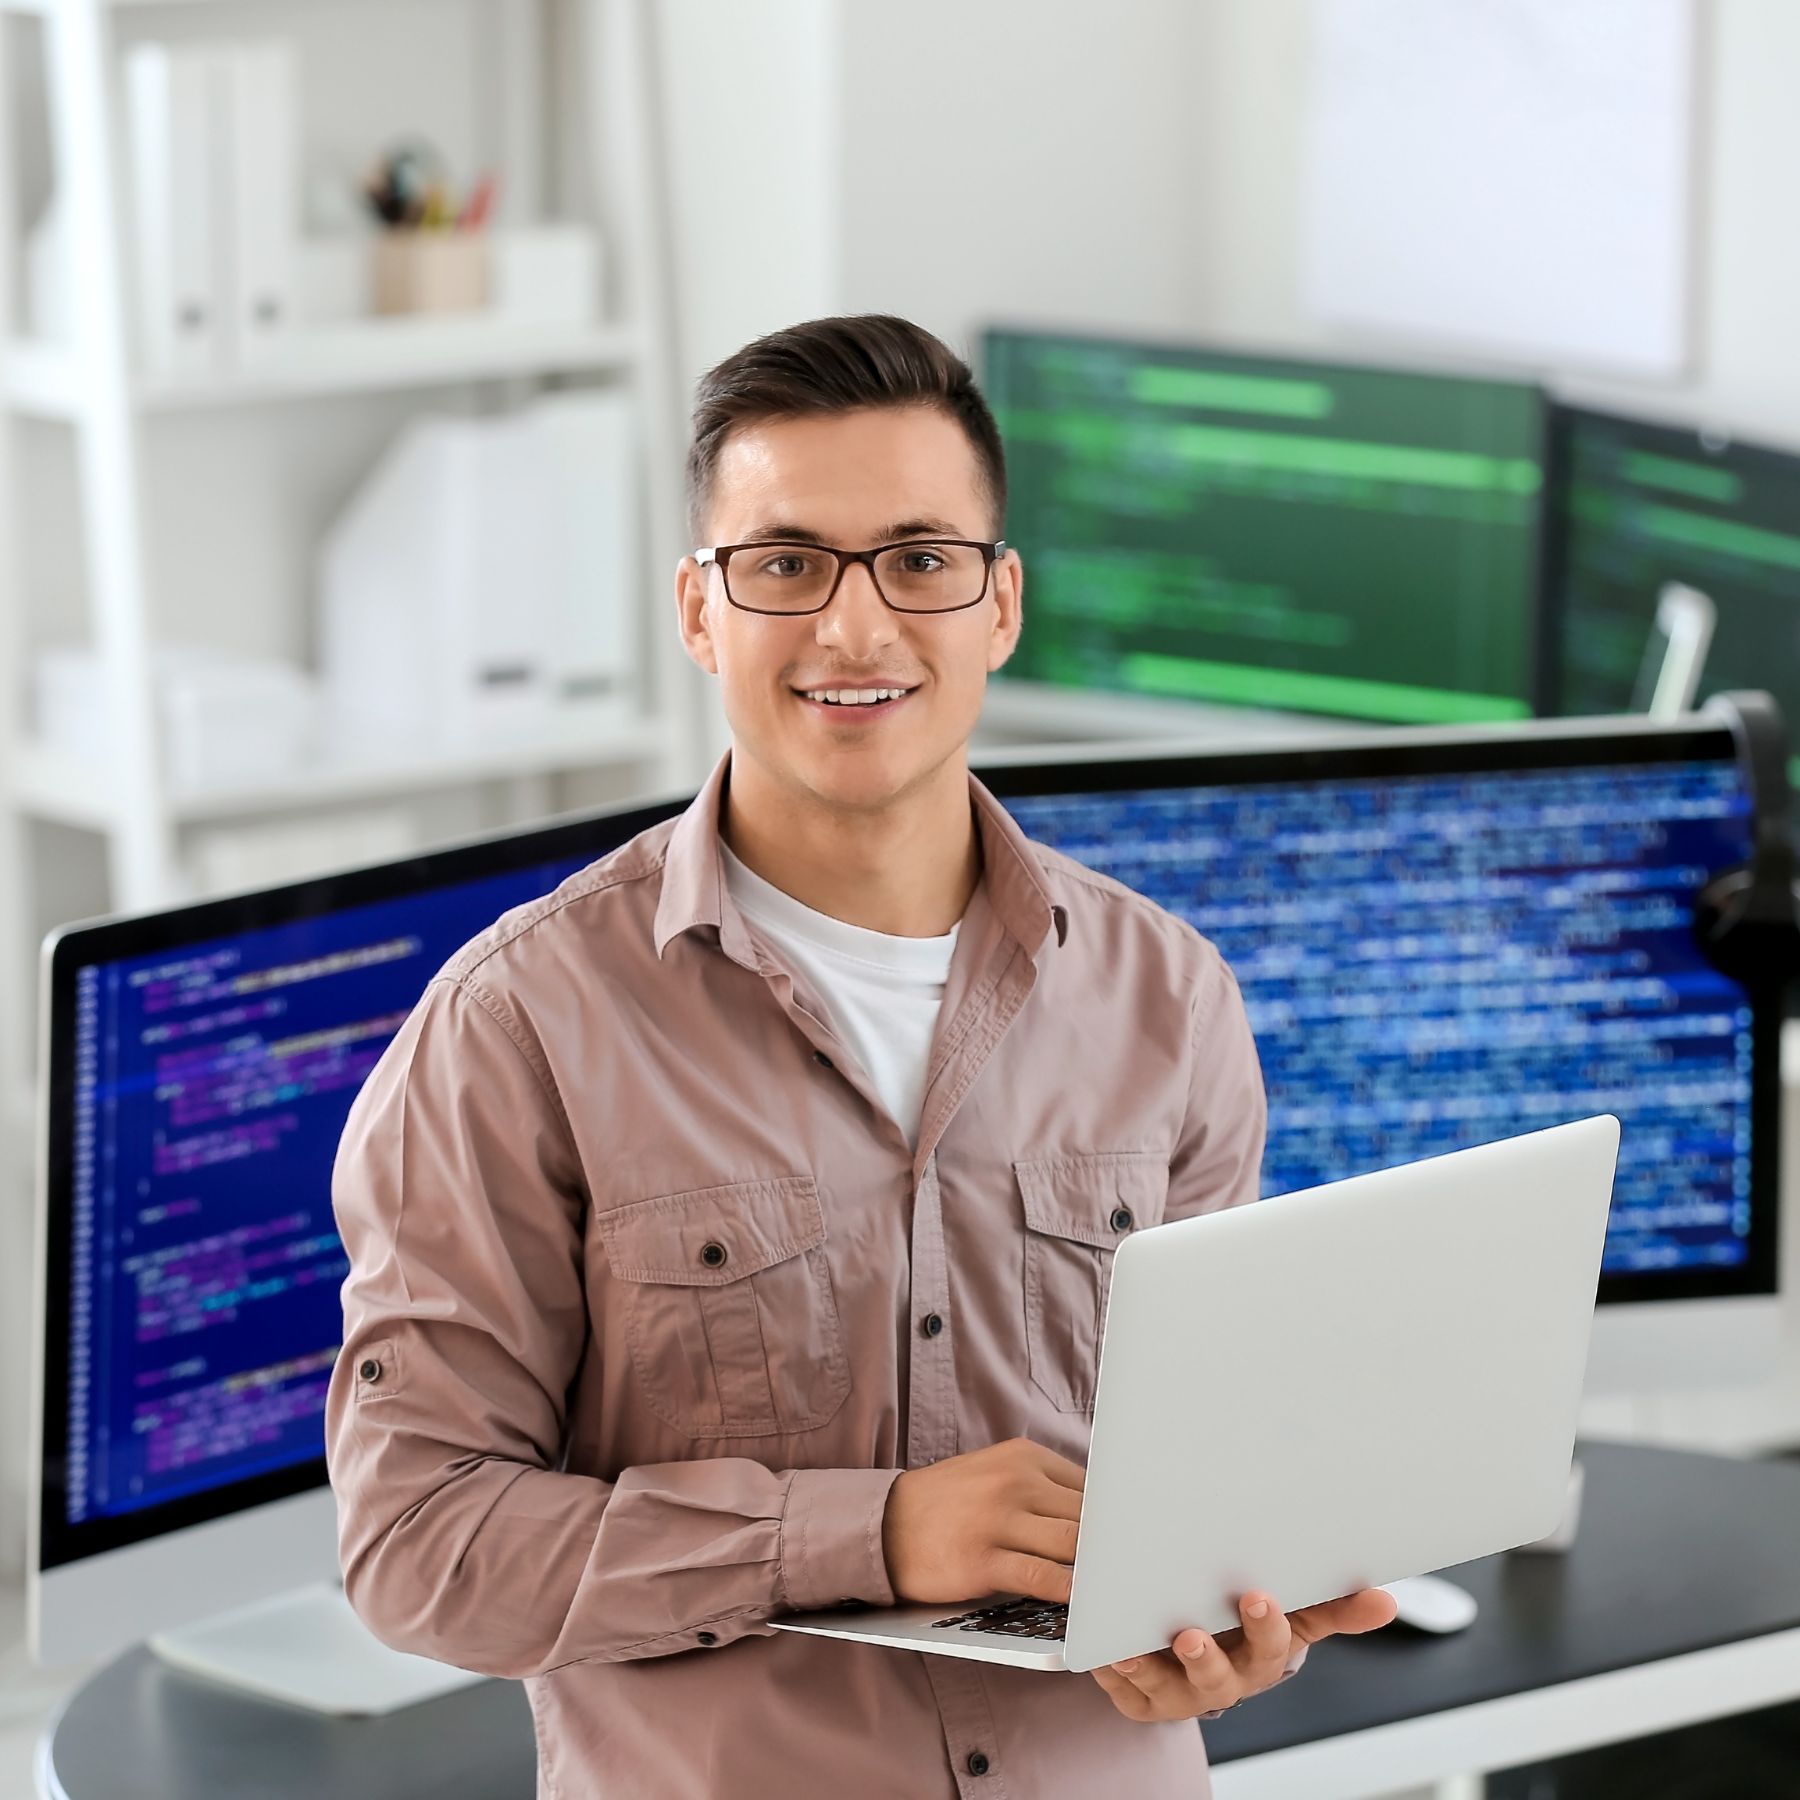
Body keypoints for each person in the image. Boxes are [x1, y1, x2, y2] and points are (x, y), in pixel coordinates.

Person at [325, 314, 1395, 1798]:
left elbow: (1211, 1475)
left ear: (999, 603)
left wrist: (1235, 1618)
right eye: (784, 564)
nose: (856, 628)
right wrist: (871, 1533)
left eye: (919, 558)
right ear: (700, 614)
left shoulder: (1169, 996)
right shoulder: (517, 1028)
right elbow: (417, 1546)